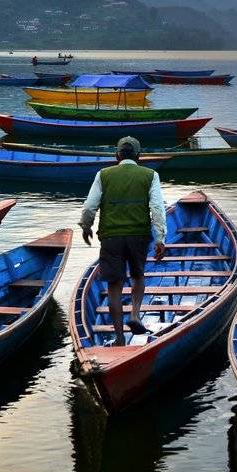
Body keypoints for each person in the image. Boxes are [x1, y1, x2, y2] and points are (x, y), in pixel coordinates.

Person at [79, 137, 167, 342]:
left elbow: (90, 206)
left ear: (116, 155)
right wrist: (160, 239)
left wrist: (86, 227)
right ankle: (135, 314)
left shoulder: (103, 175)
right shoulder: (150, 175)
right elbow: (157, 209)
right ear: (139, 156)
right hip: (139, 236)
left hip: (111, 238)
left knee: (114, 286)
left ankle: (119, 338)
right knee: (138, 276)